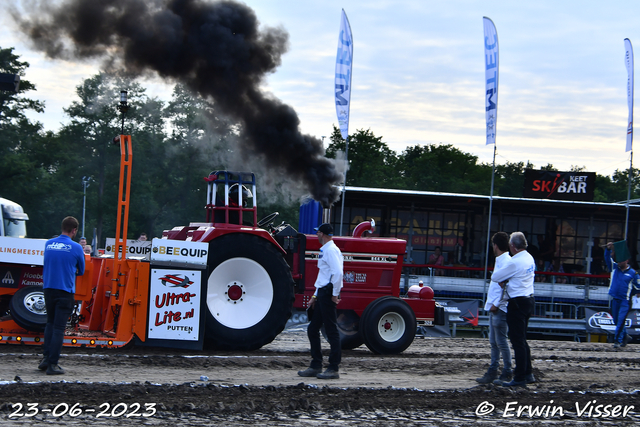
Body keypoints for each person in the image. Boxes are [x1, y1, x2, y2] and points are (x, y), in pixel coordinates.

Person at [39, 216, 85, 375]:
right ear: (74, 230)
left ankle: (45, 359)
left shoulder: (48, 244)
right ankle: (53, 364)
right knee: (59, 328)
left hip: (48, 289)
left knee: (50, 324)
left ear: (62, 227)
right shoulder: (77, 247)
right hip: (65, 291)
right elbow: (82, 270)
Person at [298, 223, 343, 380]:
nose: (316, 235)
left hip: (328, 292)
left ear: (322, 234)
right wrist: (315, 296)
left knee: (331, 330)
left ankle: (333, 367)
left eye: (318, 233)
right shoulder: (327, 250)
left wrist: (334, 294)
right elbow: (324, 276)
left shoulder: (330, 250)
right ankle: (316, 365)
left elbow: (337, 273)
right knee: (313, 329)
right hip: (323, 292)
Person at [490, 231, 536, 387]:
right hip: (528, 299)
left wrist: (505, 280)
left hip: (517, 303)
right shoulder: (529, 258)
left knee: (517, 341)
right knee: (522, 339)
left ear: (512, 246)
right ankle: (528, 373)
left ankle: (520, 377)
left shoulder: (514, 262)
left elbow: (495, 277)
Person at [476, 232, 512, 384]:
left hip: (499, 308)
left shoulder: (506, 262)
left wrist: (496, 303)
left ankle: (505, 370)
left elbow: (508, 287)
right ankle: (496, 370)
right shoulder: (504, 260)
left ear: (495, 246)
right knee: (495, 341)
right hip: (497, 307)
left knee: (500, 342)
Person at [604, 242, 639, 348]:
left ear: (626, 260)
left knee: (620, 320)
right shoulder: (614, 268)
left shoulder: (633, 273)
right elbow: (607, 259)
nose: (619, 262)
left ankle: (617, 341)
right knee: (616, 320)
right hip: (615, 299)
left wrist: (636, 293)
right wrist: (608, 249)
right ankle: (625, 336)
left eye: (621, 260)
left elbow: (638, 286)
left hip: (625, 300)